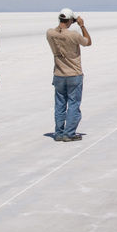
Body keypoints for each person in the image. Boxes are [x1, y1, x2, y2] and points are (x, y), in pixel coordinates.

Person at [46, 8, 92, 141]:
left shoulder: (50, 33)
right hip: (74, 74)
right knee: (73, 104)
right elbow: (88, 42)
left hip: (59, 74)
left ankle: (59, 132)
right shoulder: (73, 35)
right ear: (71, 20)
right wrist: (82, 25)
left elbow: (57, 31)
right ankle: (69, 133)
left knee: (60, 104)